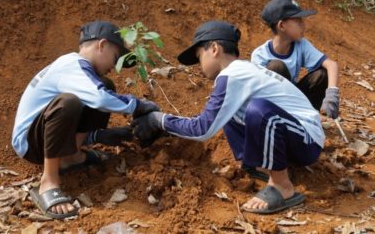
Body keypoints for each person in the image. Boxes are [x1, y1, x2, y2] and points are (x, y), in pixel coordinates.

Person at [132, 21, 325, 214]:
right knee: (228, 111)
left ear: (214, 49)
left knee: (259, 109)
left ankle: (282, 186)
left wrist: (158, 119)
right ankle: (263, 166)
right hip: (294, 135)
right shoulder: (241, 72)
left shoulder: (233, 75)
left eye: (200, 57)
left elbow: (202, 130)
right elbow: (210, 120)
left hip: (307, 141)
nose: (199, 66)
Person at [11, 21, 159, 219]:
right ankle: (48, 182)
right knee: (72, 101)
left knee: (104, 85)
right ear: (102, 45)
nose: (115, 67)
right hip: (30, 143)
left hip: (45, 136)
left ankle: (71, 156)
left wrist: (97, 135)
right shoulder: (72, 65)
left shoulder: (80, 70)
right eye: (115, 58)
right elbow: (98, 98)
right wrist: (136, 105)